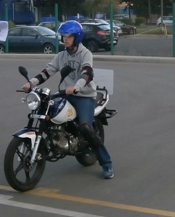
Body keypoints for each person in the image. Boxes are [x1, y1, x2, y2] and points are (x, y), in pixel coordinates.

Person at [21, 20, 115, 179]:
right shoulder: (61, 55)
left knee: (85, 128)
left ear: (76, 37)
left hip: (84, 96)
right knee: (47, 112)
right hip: (66, 94)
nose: (65, 39)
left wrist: (77, 87)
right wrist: (31, 83)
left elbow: (87, 73)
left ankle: (107, 163)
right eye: (63, 36)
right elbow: (48, 71)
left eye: (69, 36)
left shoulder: (85, 53)